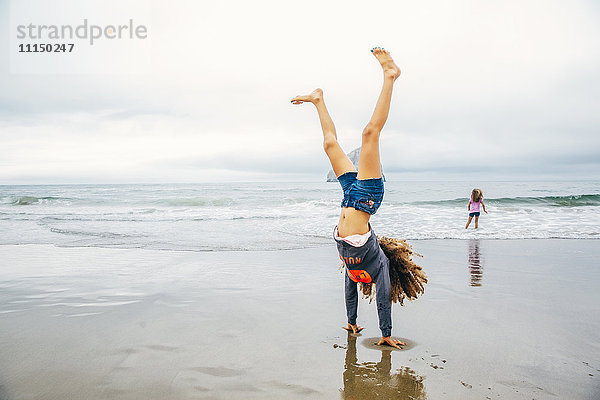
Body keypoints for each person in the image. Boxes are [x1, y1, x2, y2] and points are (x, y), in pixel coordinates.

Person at [291, 47, 426, 349]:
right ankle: (391, 75)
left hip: (348, 196)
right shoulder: (378, 265)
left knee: (328, 144)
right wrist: (386, 333)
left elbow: (349, 294)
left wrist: (352, 323)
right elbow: (382, 299)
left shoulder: (353, 271)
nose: (365, 284)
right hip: (367, 198)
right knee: (369, 134)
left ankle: (318, 99)